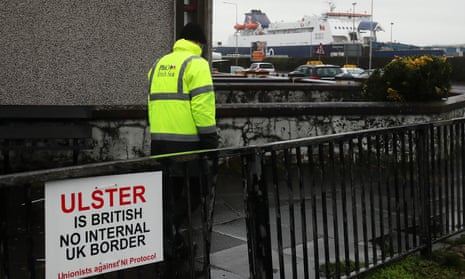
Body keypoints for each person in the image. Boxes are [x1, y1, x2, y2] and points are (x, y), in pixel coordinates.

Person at [147, 22, 218, 278]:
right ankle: (165, 233)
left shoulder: (158, 64)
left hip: (160, 144)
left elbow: (153, 106)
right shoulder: (197, 65)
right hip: (187, 146)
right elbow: (203, 108)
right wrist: (211, 145)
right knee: (197, 192)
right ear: (198, 43)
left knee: (169, 195)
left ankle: (170, 241)